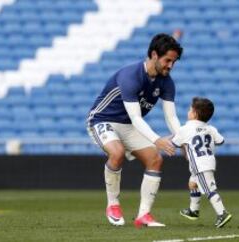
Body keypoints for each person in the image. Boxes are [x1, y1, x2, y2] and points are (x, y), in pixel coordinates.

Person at [86, 33, 183, 228]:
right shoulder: (131, 76)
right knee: (117, 152)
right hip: (102, 120)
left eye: (174, 62)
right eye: (167, 61)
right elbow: (136, 117)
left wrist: (184, 140)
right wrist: (157, 139)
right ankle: (113, 205)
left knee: (155, 159)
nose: (170, 66)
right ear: (154, 55)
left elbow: (171, 117)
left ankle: (144, 216)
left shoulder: (166, 82)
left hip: (128, 125)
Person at [171, 97, 232, 228]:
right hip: (208, 161)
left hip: (199, 165)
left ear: (194, 113)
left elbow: (175, 143)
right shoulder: (211, 128)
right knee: (193, 184)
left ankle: (222, 213)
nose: (188, 111)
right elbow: (221, 141)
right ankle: (194, 210)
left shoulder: (185, 128)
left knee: (209, 189)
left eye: (190, 109)